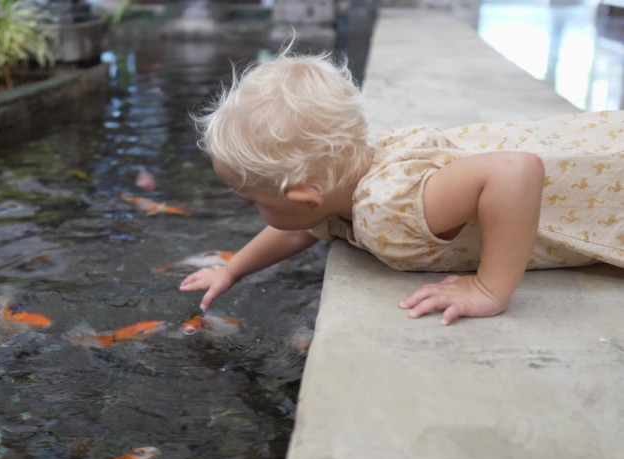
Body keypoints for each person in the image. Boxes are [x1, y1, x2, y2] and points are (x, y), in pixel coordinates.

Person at [179, 42, 624, 326]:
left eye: (251, 201)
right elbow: (299, 227)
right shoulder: (346, 178)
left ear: (305, 196)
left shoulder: (395, 205)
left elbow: (516, 171)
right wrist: (231, 269)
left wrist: (490, 288)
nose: (253, 211)